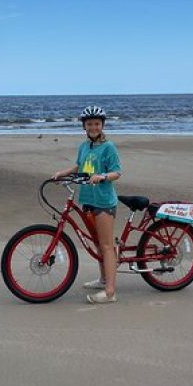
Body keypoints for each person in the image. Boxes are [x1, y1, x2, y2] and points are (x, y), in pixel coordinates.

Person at [53, 105, 122, 304]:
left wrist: (102, 176)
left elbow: (117, 172)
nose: (93, 127)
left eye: (97, 124)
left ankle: (110, 292)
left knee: (107, 246)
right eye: (90, 124)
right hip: (88, 200)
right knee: (98, 244)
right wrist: (63, 172)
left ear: (102, 126)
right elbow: (79, 166)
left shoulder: (109, 147)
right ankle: (103, 280)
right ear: (84, 126)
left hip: (104, 202)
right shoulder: (84, 146)